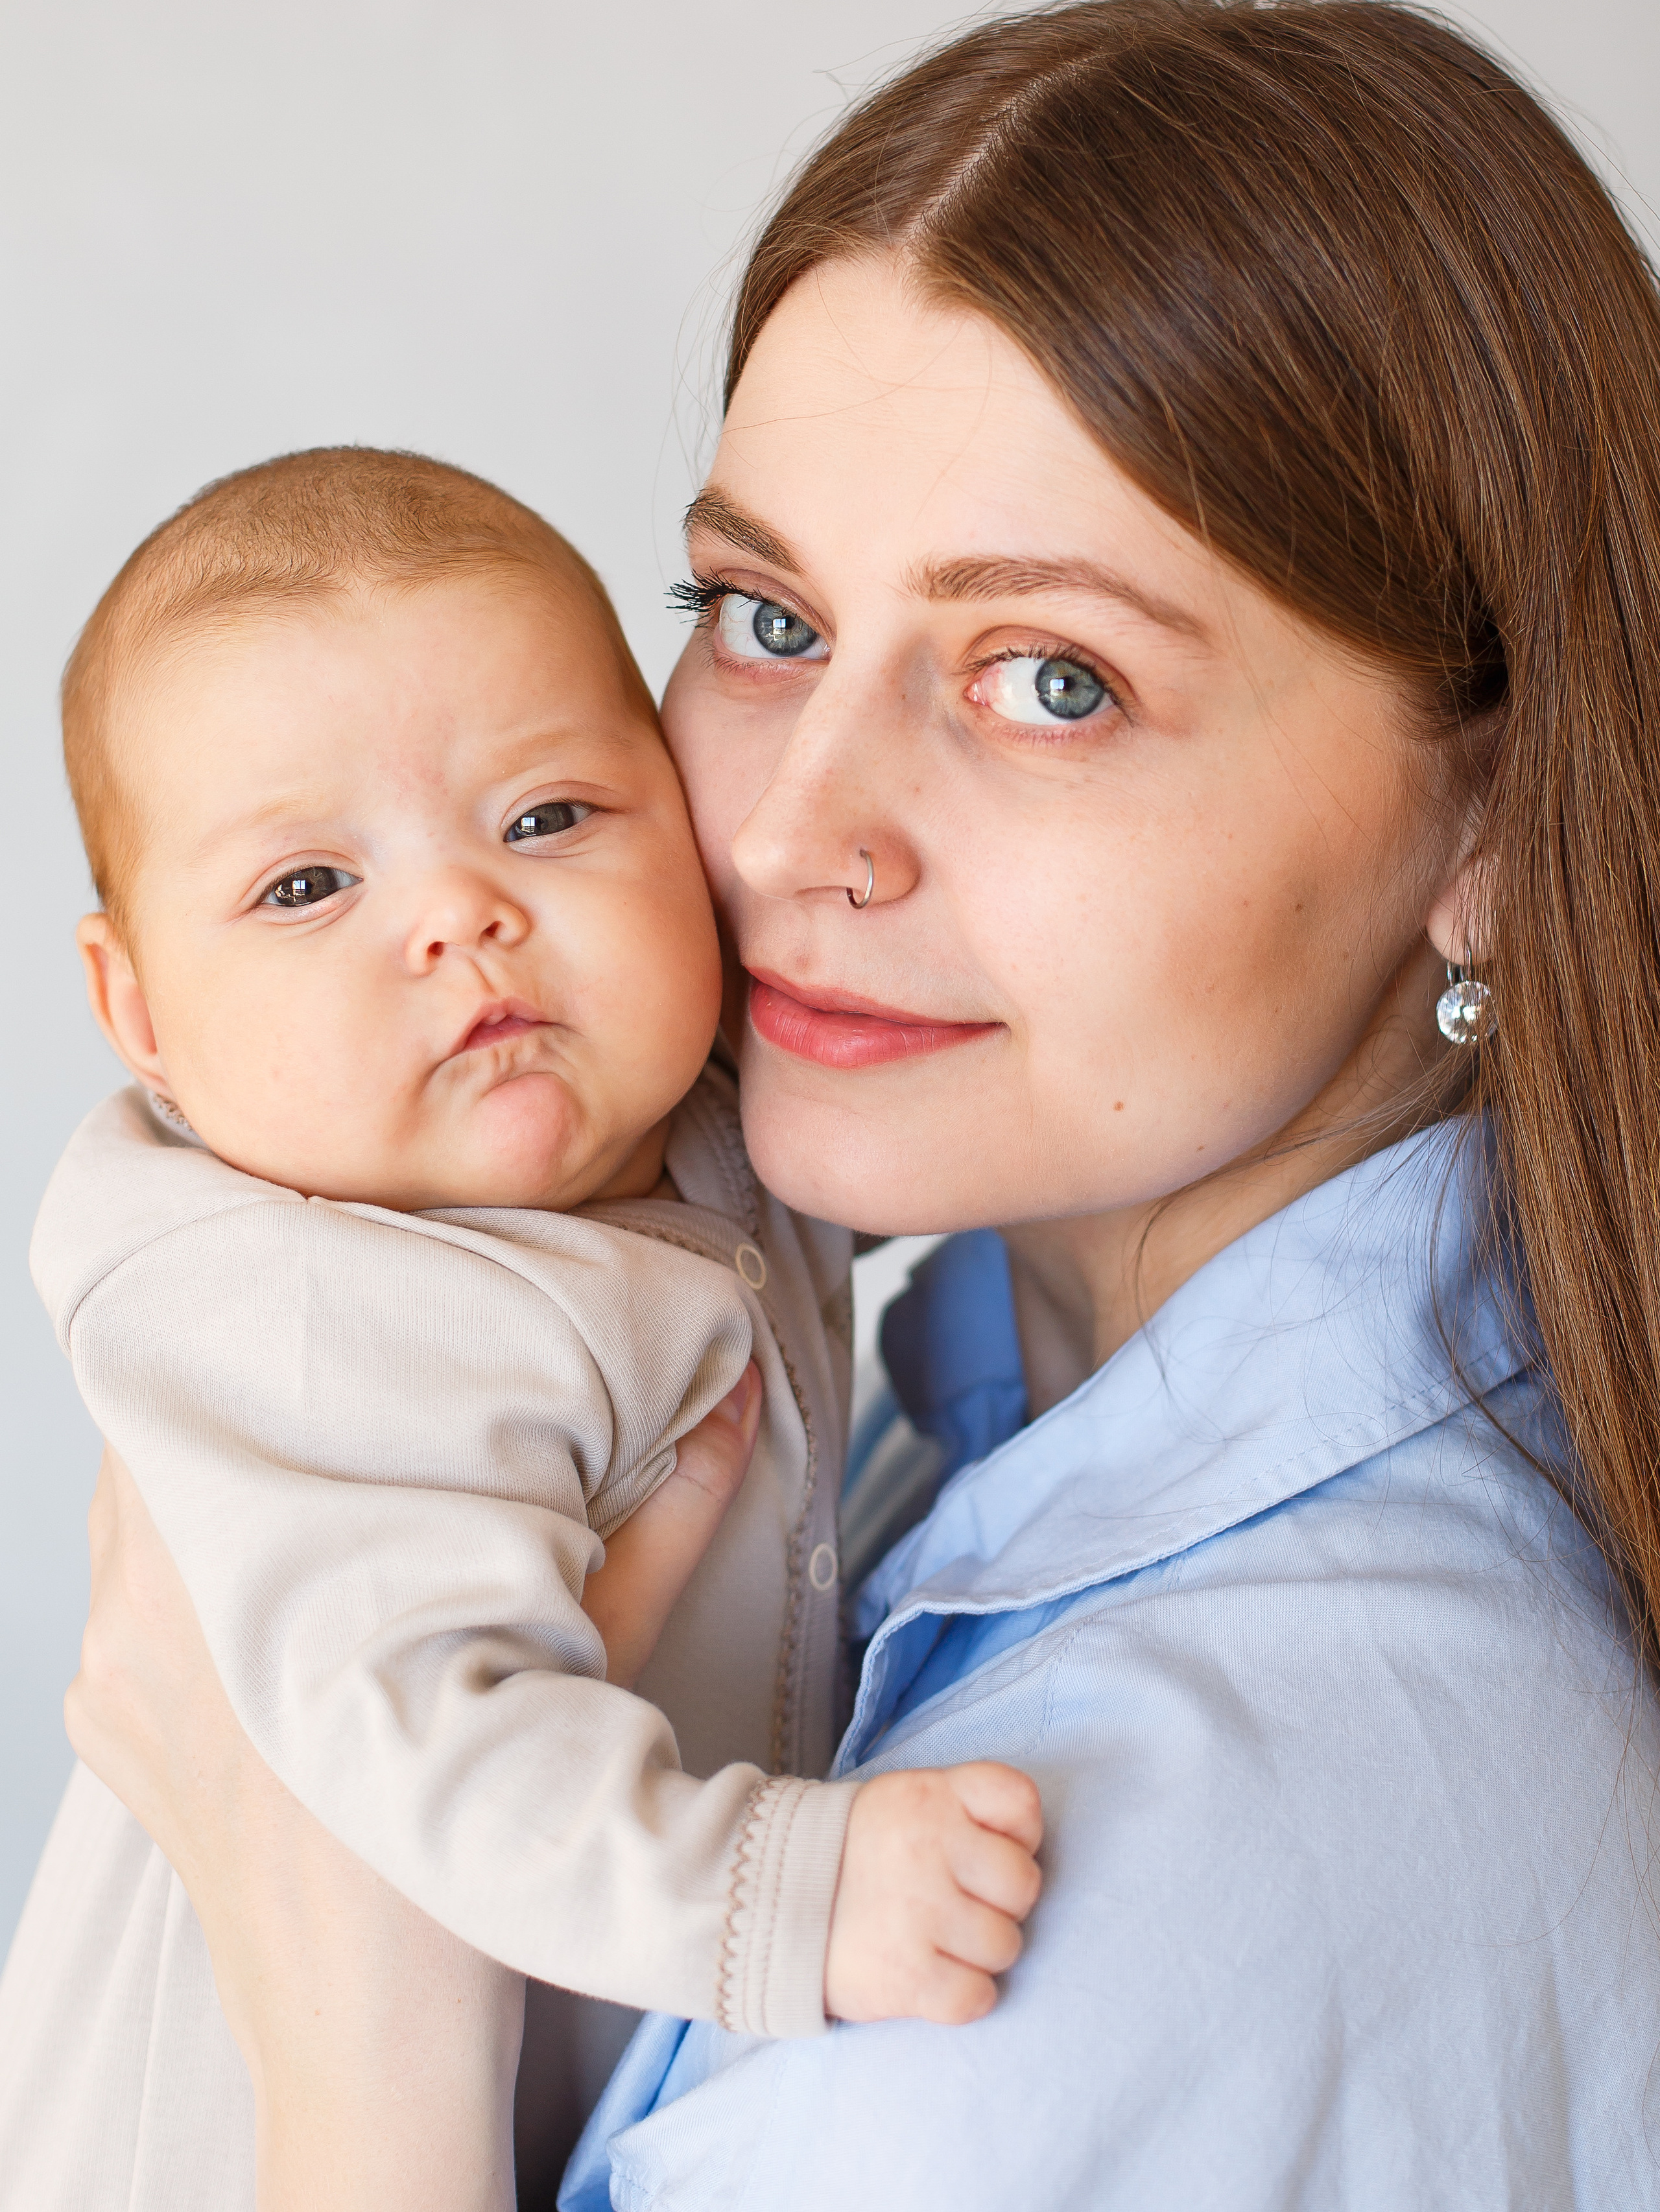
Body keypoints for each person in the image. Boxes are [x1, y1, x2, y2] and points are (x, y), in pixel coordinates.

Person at [54, 0, 1660, 2203]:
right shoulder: (944, 1372)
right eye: (763, 615)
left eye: (1055, 680)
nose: (803, 828)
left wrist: (357, 2011)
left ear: (1492, 821)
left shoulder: (1067, 1948)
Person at [0, 449, 1041, 2212]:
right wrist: (796, 1890)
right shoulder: (309, 1325)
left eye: (549, 817)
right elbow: (436, 1768)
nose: (459, 915)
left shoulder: (680, 1133)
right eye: (308, 887)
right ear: (140, 1012)